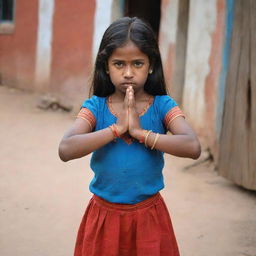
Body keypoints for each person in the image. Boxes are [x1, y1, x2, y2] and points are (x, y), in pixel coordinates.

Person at [59, 17, 201, 256]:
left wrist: (139, 133)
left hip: (148, 217)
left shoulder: (162, 106)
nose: (128, 73)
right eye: (118, 64)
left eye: (137, 64)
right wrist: (116, 128)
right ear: (105, 66)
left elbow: (192, 146)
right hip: (104, 216)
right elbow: (66, 148)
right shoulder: (95, 107)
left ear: (151, 64)